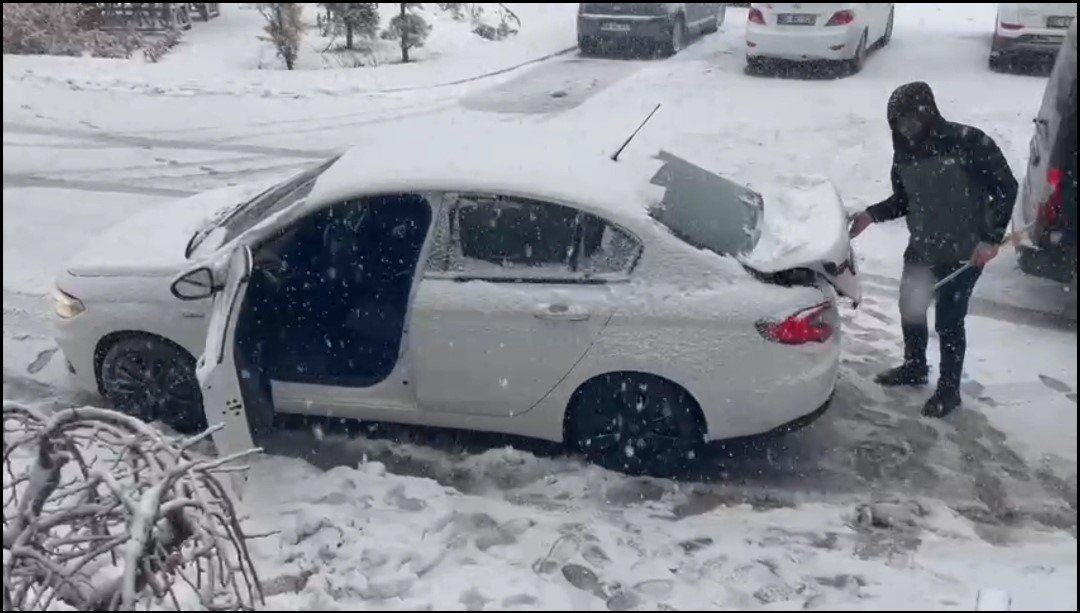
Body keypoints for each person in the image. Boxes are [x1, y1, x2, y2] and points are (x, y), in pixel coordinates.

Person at [849, 81, 1018, 418]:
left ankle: (949, 390)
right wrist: (871, 215)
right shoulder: (905, 154)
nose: (905, 127)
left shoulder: (968, 142)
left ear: (928, 113)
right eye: (898, 122)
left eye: (910, 119)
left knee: (948, 321)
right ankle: (914, 366)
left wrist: (991, 237)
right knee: (911, 307)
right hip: (923, 245)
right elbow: (904, 200)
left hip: (964, 251)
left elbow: (1005, 187)